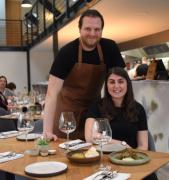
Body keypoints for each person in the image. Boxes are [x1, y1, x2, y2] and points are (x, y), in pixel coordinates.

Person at [43, 9, 125, 140]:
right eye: (88, 29)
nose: (92, 34)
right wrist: (46, 131)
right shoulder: (67, 52)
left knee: (94, 153)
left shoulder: (109, 48)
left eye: (97, 29)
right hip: (67, 115)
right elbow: (52, 93)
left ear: (102, 30)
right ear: (79, 29)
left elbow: (121, 83)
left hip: (94, 112)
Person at [85, 67, 148, 149]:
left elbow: (143, 145)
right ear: (106, 85)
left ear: (127, 84)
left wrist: (132, 157)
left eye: (121, 81)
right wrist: (122, 144)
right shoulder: (96, 106)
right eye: (112, 82)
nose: (116, 86)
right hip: (103, 156)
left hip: (130, 158)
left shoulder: (138, 109)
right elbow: (89, 137)